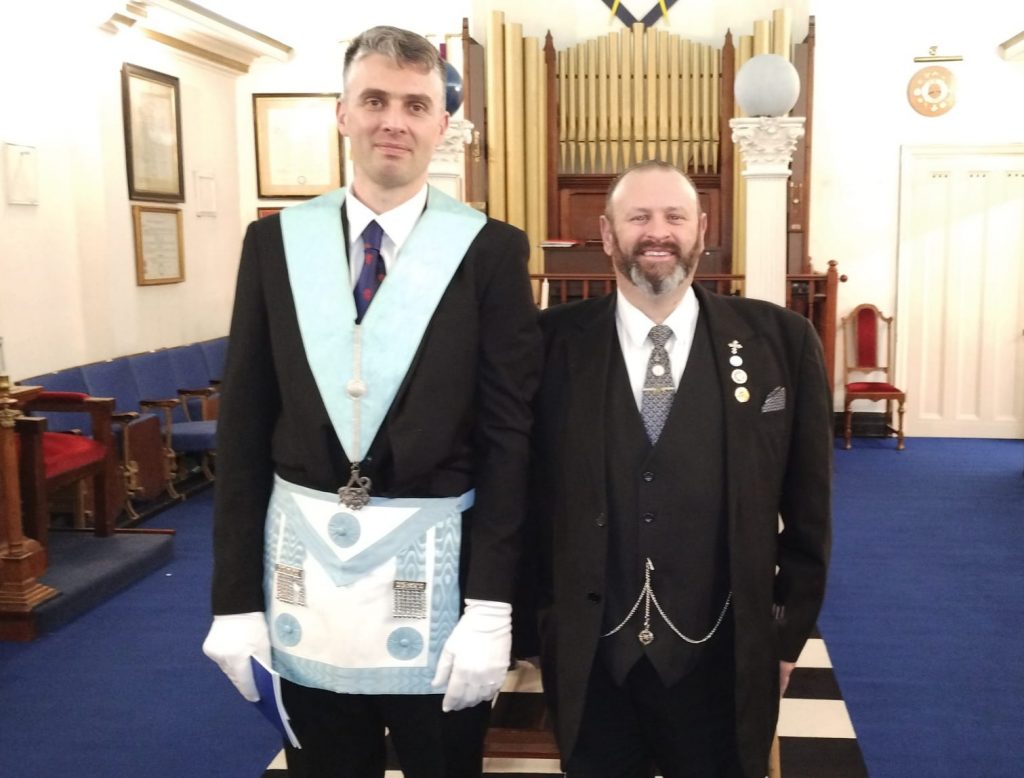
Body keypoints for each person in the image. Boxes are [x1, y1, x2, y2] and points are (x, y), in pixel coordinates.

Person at [202, 25, 541, 777]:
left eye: (416, 105)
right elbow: (245, 427)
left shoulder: (489, 251)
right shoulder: (274, 246)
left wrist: (493, 603)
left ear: (441, 124)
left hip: (437, 581)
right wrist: (233, 598)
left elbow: (508, 437)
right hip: (303, 577)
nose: (394, 121)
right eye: (375, 100)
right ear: (342, 113)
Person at [528, 160, 832, 777]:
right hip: (593, 659)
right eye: (638, 217)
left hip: (724, 660)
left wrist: (784, 635)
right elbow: (522, 497)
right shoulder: (546, 344)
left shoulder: (782, 341)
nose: (657, 232)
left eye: (674, 216)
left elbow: (810, 510)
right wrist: (535, 632)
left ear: (702, 229)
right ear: (607, 234)